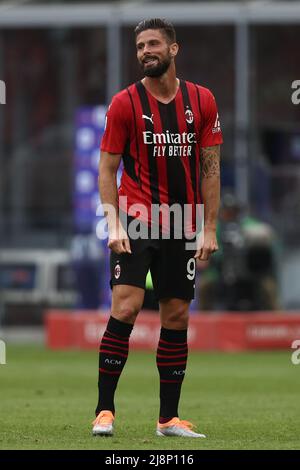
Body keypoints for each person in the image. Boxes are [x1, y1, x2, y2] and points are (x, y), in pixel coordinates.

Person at [92, 18, 223, 438]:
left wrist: (209, 228)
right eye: (140, 46)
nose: (145, 51)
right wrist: (113, 222)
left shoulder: (202, 101)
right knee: (126, 307)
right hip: (135, 219)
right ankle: (104, 412)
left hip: (182, 222)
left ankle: (168, 419)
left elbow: (211, 170)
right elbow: (107, 167)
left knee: (177, 315)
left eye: (153, 44)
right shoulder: (124, 104)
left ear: (173, 49)